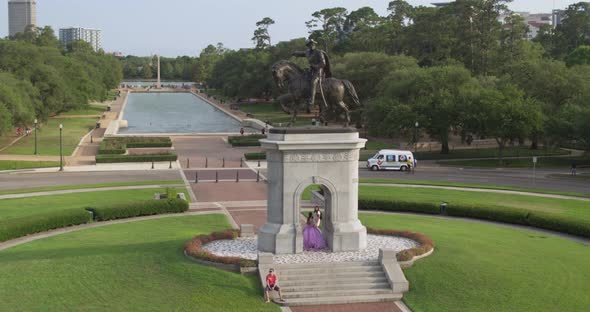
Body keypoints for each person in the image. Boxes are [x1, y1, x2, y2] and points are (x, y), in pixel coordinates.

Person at [292, 38, 332, 113]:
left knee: (313, 82)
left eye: (312, 44)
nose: (311, 45)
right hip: (311, 70)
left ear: (314, 44)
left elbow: (323, 63)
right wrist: (294, 53)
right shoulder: (307, 52)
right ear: (308, 45)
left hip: (318, 71)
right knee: (303, 78)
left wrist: (316, 66)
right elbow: (301, 53)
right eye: (310, 44)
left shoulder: (319, 52)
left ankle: (312, 100)